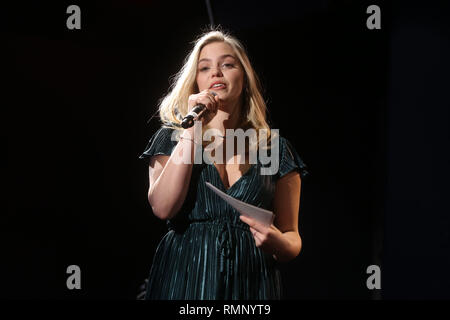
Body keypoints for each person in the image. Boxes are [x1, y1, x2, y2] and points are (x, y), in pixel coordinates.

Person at [139, 28, 309, 300]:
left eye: (227, 64)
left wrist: (277, 241)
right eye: (205, 68)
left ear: (244, 78)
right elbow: (163, 206)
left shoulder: (274, 148)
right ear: (195, 82)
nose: (216, 73)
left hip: (252, 283)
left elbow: (293, 238)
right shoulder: (172, 138)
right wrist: (193, 130)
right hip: (186, 278)